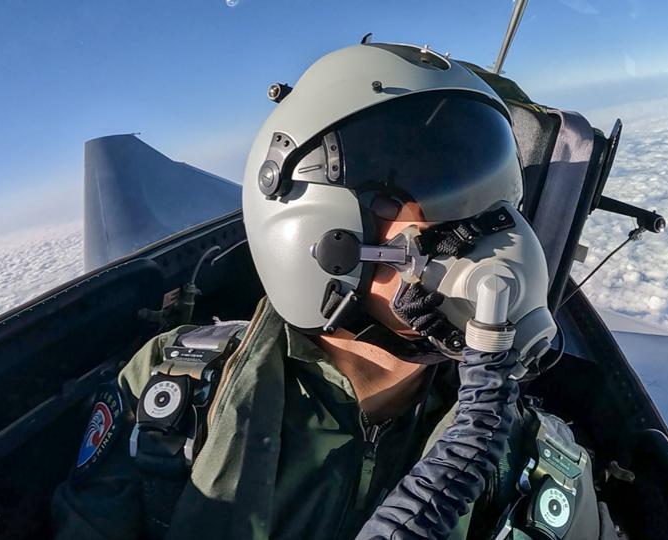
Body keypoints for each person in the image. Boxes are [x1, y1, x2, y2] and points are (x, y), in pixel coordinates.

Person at [51, 41, 613, 540]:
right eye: (443, 181)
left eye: (496, 192)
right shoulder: (171, 393)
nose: (498, 229)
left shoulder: (527, 459)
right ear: (322, 234)